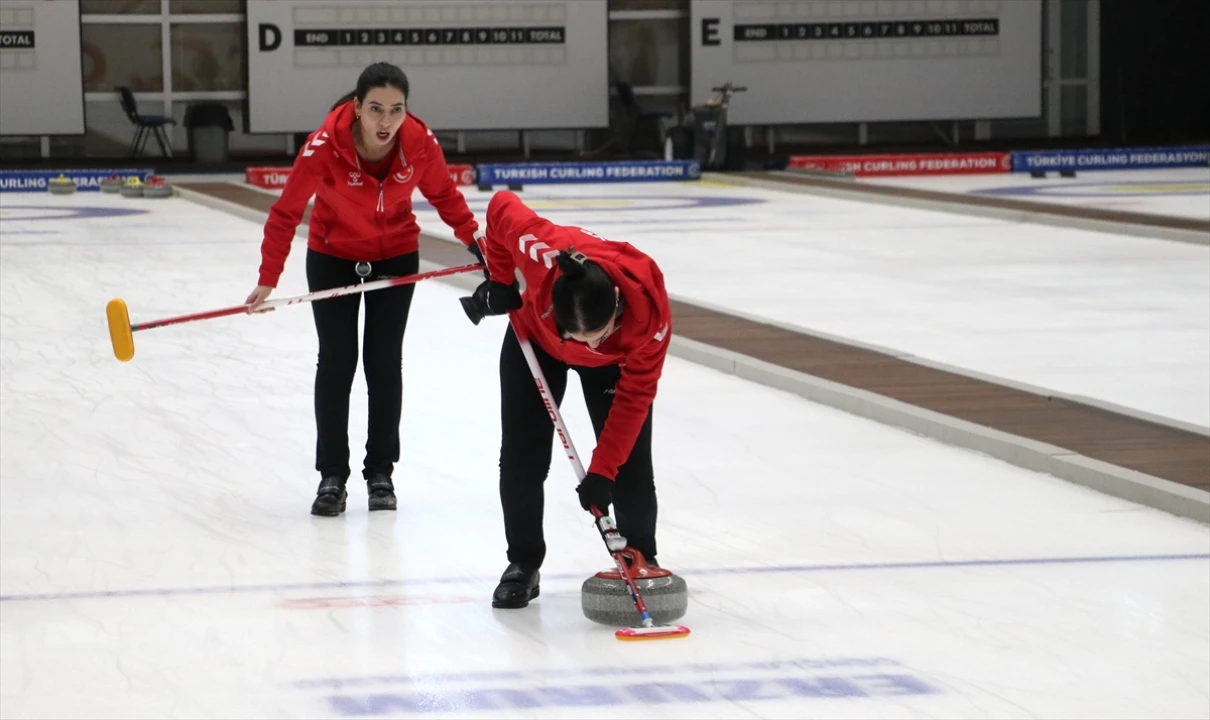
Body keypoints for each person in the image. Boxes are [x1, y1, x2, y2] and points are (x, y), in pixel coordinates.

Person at [246, 62, 485, 517]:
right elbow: (285, 213)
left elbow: (446, 198)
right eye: (375, 109)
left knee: (382, 361)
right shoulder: (323, 147)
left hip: (395, 254)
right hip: (333, 255)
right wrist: (267, 278)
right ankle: (332, 476)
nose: (385, 121)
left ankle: (380, 473)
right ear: (356, 108)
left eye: (395, 110)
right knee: (336, 362)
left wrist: (477, 243)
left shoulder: (419, 143)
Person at [460, 190, 672, 609]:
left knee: (629, 467)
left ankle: (640, 557)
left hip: (614, 363)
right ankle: (522, 563)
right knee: (522, 459)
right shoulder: (542, 252)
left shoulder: (648, 316)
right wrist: (501, 282)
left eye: (595, 334)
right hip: (536, 343)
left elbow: (634, 399)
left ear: (615, 304)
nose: (587, 344)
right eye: (575, 334)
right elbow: (501, 206)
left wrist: (602, 471)